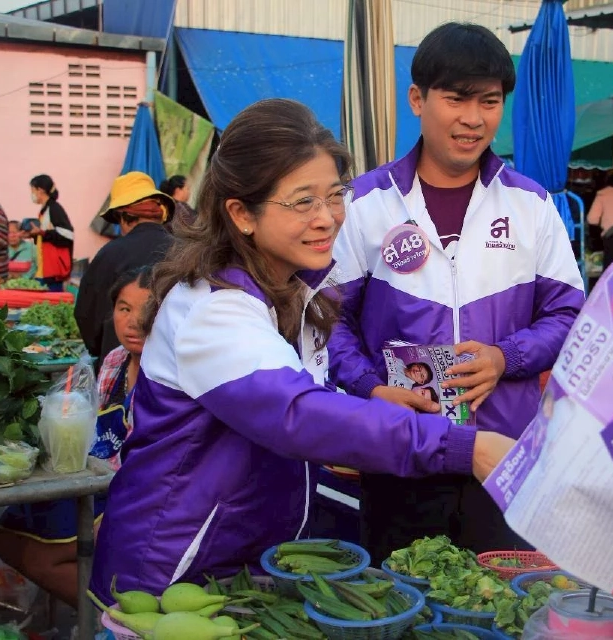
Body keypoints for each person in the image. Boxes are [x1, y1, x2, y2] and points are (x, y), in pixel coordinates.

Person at [89, 99, 515, 602]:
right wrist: (463, 447)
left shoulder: (295, 291)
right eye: (302, 201)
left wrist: (369, 402)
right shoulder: (212, 312)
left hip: (241, 564)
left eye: (335, 196)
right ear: (241, 214)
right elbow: (297, 413)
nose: (328, 218)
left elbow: (305, 392)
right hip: (170, 572)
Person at [328, 23, 584, 560]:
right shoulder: (365, 204)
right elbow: (327, 323)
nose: (473, 118)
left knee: (498, 608)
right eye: (457, 99)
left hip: (504, 457)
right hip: (400, 451)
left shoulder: (531, 205)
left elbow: (568, 315)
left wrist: (503, 357)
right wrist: (373, 390)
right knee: (399, 604)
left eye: (489, 102)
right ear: (417, 99)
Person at [0, 266, 153, 608]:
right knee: (6, 536)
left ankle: (119, 622)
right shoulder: (114, 361)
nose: (134, 321)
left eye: (148, 309)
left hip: (137, 496)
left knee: (42, 557)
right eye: (124, 308)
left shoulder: (169, 374)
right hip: (96, 481)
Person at [74, 172, 174, 368]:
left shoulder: (109, 254)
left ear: (125, 218)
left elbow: (86, 313)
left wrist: (101, 348)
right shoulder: (185, 252)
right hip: (174, 367)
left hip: (120, 367)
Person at [27, 175, 74, 291]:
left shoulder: (54, 209)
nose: (31, 194)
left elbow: (67, 235)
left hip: (53, 271)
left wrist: (43, 234)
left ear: (40, 190)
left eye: (32, 190)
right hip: (43, 269)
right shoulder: (44, 210)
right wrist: (33, 235)